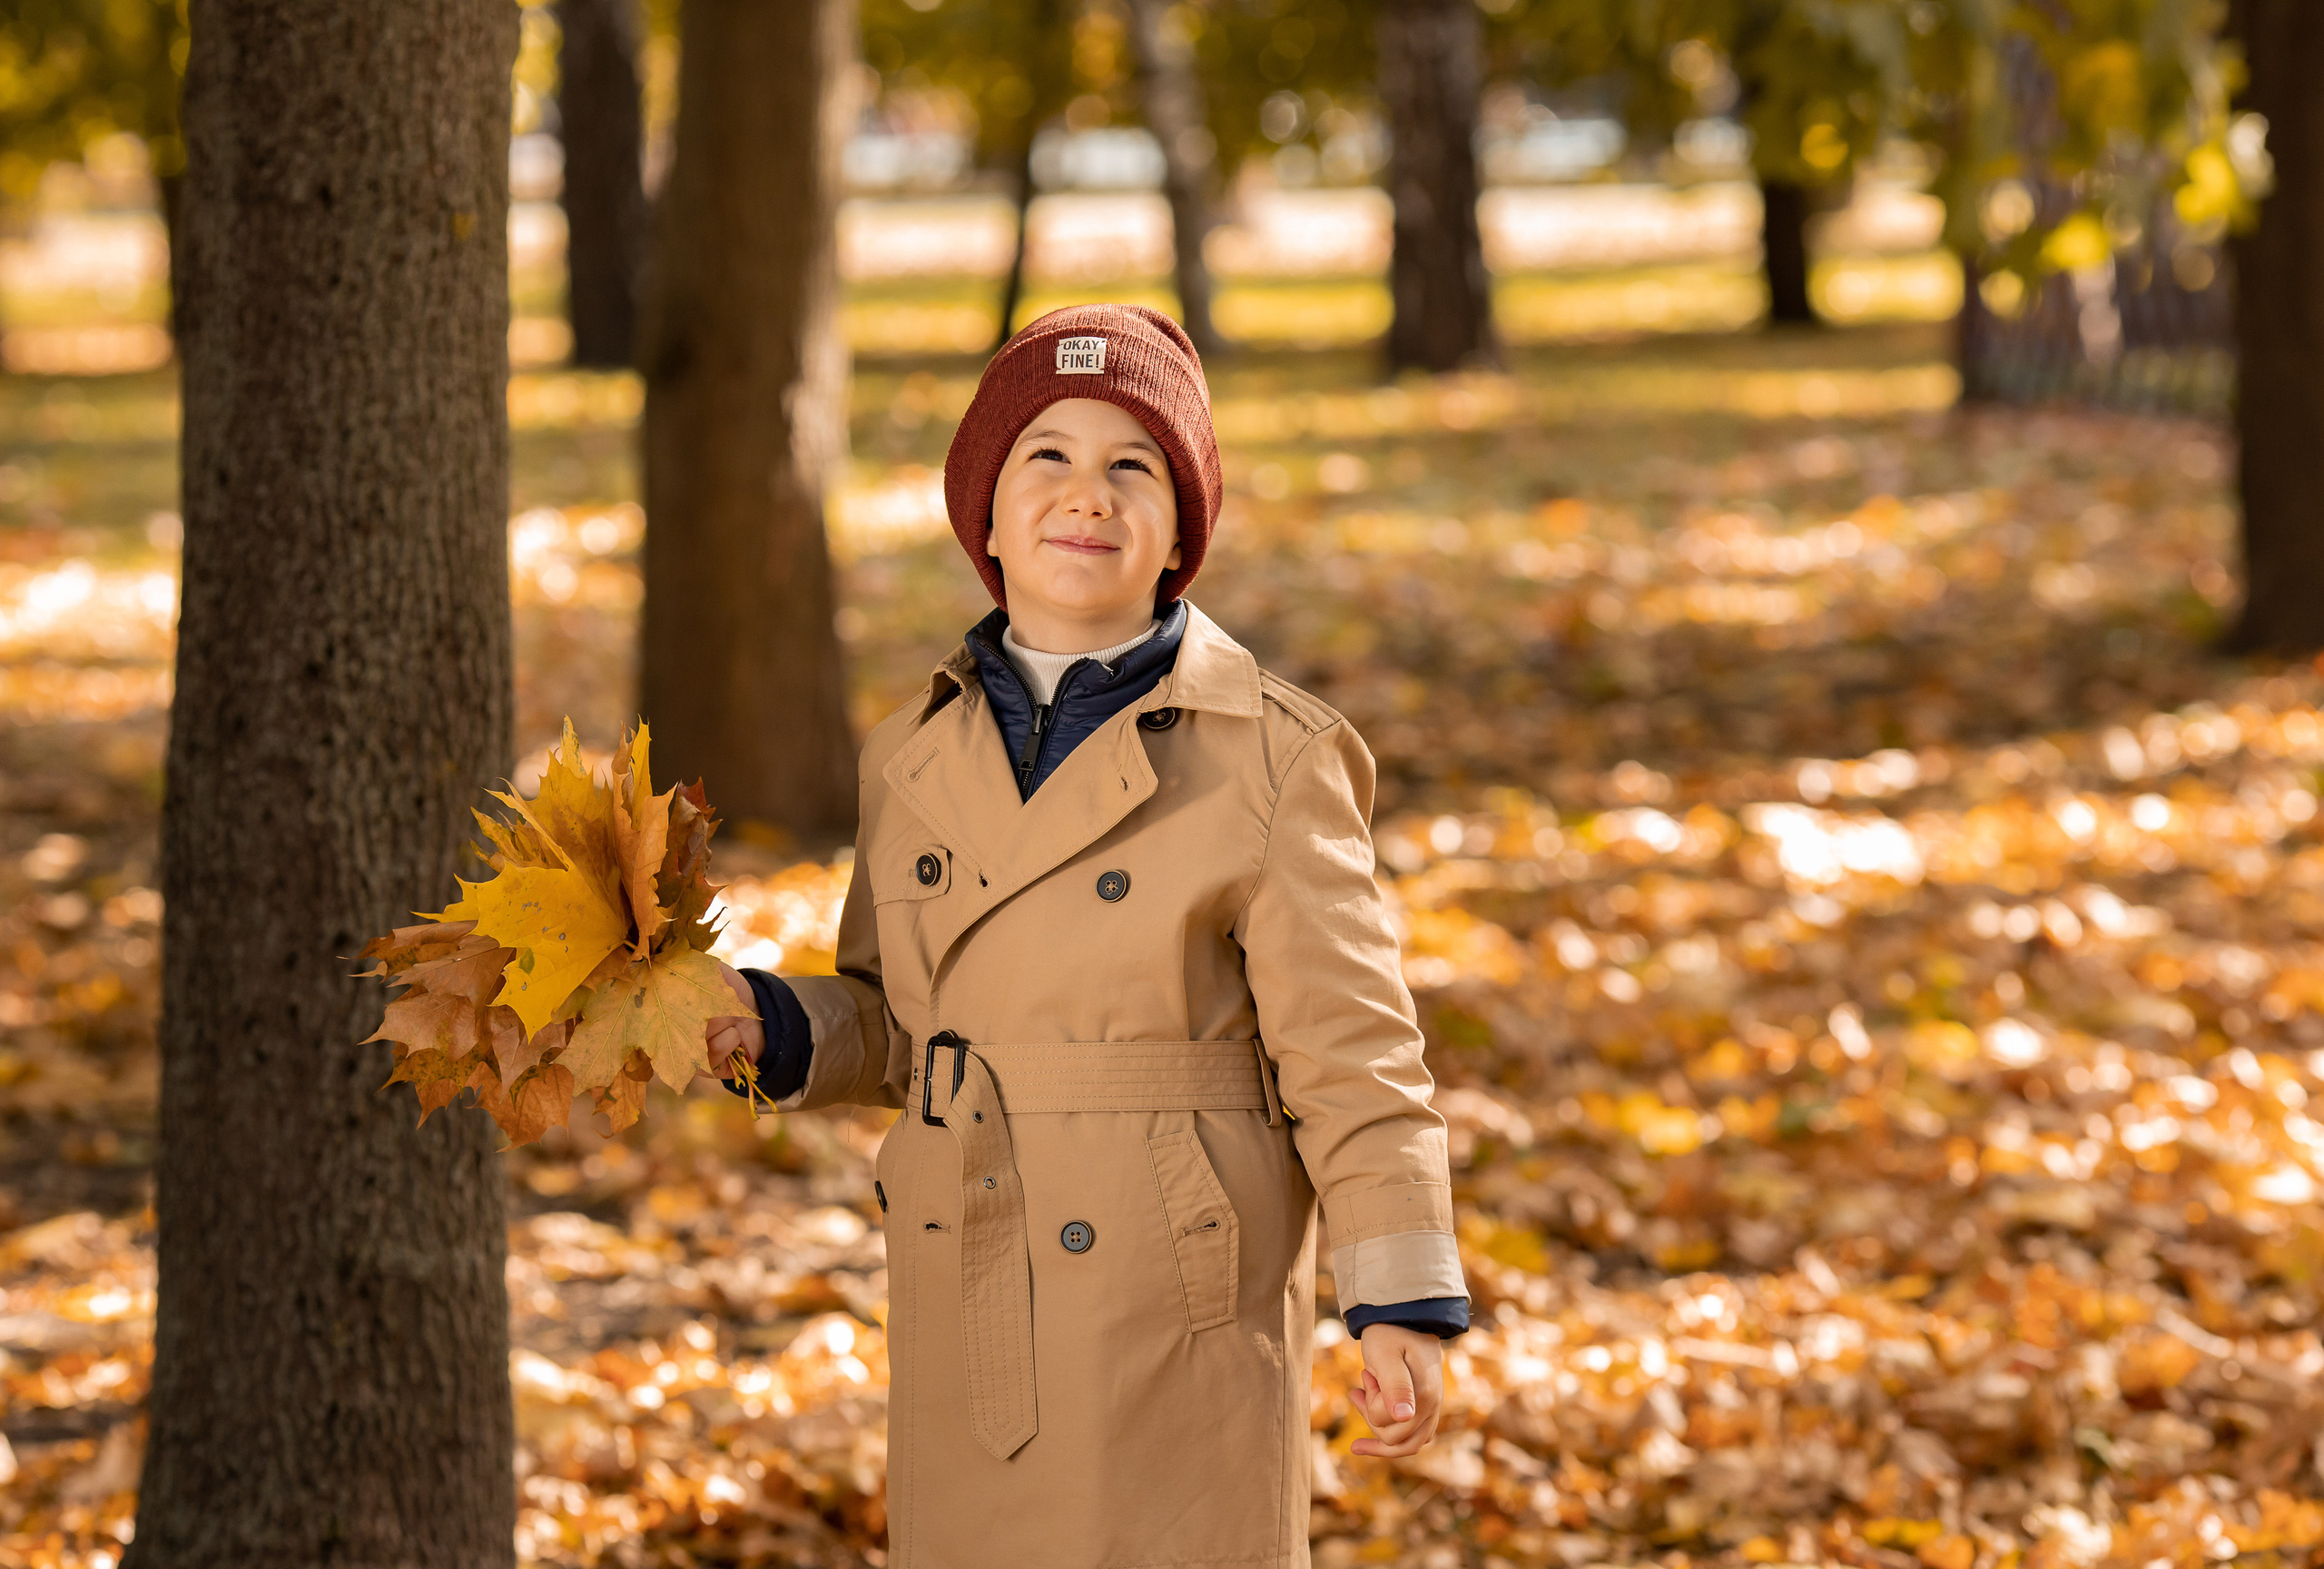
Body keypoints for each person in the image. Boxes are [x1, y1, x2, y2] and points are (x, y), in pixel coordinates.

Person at [701, 303, 1467, 1569]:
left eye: (1134, 467)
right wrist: (777, 1027)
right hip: (968, 1259)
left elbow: (1355, 1053)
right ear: (987, 519)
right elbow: (905, 1021)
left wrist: (1398, 1298)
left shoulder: (1272, 756)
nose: (1087, 495)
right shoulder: (909, 755)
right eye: (1045, 456)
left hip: (1175, 1283)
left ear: (1182, 533)